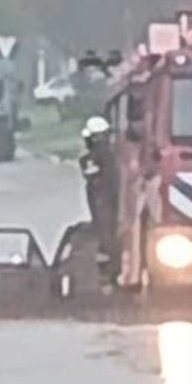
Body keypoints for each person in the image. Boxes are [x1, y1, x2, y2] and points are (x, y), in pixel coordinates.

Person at [78, 117, 116, 284]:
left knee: (106, 224)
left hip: (104, 192)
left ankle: (109, 256)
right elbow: (89, 171)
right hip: (100, 192)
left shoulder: (110, 153)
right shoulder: (92, 156)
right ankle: (107, 256)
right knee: (103, 223)